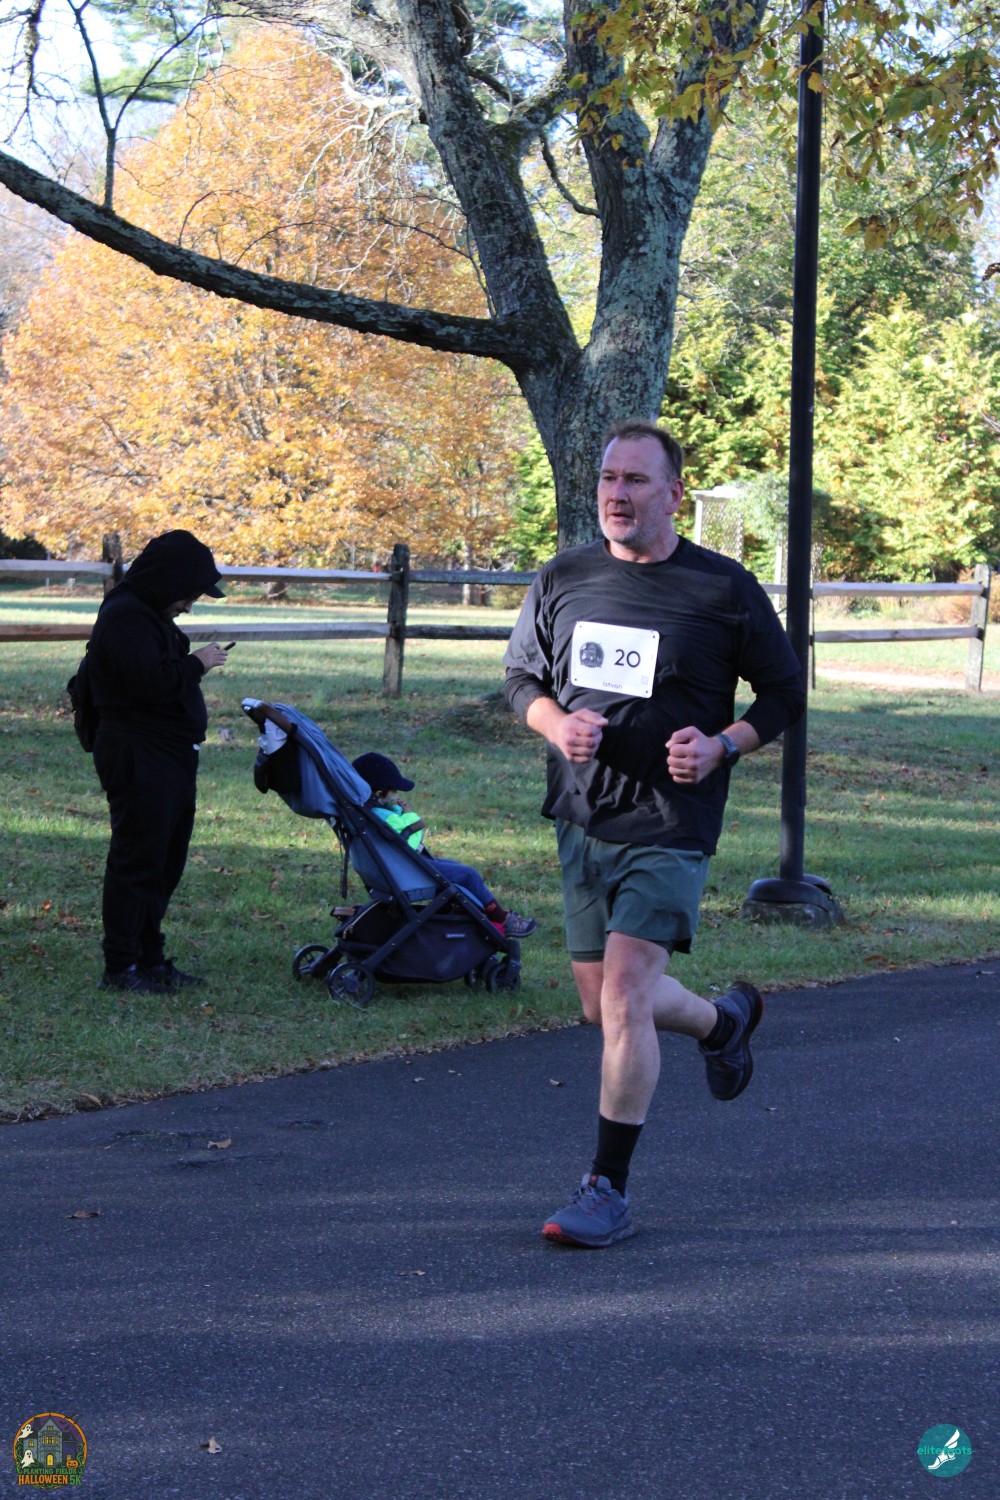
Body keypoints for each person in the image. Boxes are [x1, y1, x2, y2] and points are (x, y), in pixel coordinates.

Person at [504, 420, 806, 1247]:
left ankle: (607, 1188)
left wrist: (723, 746)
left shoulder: (722, 588)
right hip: (583, 814)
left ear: (674, 494)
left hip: (672, 820)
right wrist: (555, 724)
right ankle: (721, 1023)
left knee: (627, 995)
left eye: (635, 480)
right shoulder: (564, 577)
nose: (617, 493)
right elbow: (522, 677)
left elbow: (784, 693)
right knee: (601, 1005)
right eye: (609, 478)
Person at [87, 529, 231, 992]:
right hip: (139, 752)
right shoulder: (125, 617)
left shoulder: (147, 613)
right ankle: (122, 966)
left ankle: (149, 957)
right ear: (167, 581)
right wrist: (198, 663)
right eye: (187, 595)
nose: (189, 605)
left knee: (164, 861)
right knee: (138, 860)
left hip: (166, 752)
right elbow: (148, 683)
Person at [351, 751, 537, 939]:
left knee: (455, 868)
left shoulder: (370, 813)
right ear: (379, 794)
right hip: (407, 872)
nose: (397, 795)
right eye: (394, 791)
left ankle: (474, 918)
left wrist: (397, 809)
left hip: (393, 870)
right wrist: (409, 816)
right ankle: (502, 920)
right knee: (468, 875)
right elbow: (409, 843)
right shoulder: (385, 817)